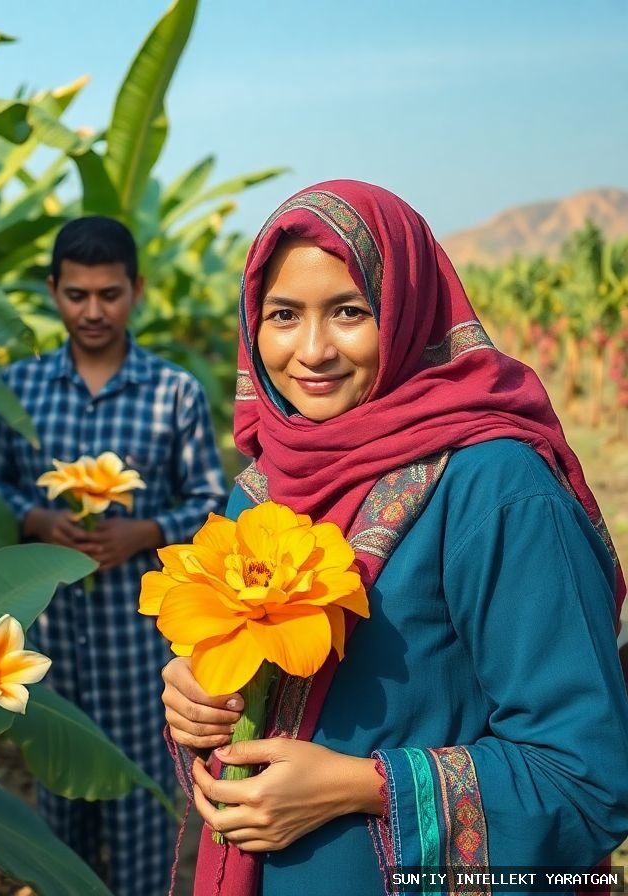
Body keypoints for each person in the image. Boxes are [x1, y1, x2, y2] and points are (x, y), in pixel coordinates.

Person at [158, 179, 628, 895]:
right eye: (284, 315)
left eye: (349, 312)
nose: (311, 350)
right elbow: (257, 691)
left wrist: (359, 786)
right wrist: (199, 700)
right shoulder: (262, 486)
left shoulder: (495, 488)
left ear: (407, 311)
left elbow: (588, 775)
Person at [0, 215, 228, 894]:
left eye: (109, 294)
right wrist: (35, 517)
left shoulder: (173, 392)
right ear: (53, 290)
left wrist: (144, 533)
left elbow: (212, 500)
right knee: (60, 814)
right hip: (49, 644)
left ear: (137, 290)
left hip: (138, 650)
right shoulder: (19, 390)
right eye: (77, 294)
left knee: (144, 814)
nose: (93, 311)